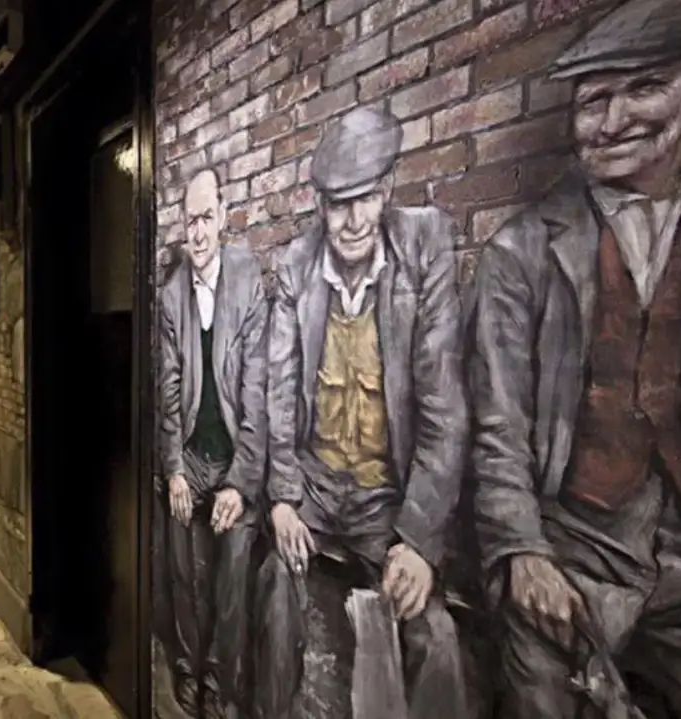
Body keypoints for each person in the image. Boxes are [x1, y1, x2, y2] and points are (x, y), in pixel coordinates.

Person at [470, 0, 681, 715]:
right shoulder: (519, 251)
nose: (613, 122)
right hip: (575, 555)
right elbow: (497, 428)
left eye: (645, 87)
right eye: (593, 101)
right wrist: (522, 550)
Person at [257, 106, 469, 719]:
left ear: (387, 190)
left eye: (366, 199)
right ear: (320, 206)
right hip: (316, 490)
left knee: (436, 635)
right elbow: (278, 392)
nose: (352, 222)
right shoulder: (296, 267)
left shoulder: (425, 246)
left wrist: (419, 539)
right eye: (338, 205)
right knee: (273, 588)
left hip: (384, 501)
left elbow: (444, 407)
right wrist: (283, 498)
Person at [158, 167, 267, 718]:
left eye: (207, 217)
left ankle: (221, 681)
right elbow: (167, 388)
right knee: (178, 555)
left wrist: (241, 484)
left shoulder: (248, 281)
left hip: (234, 458)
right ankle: (186, 667)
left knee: (235, 565)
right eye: (190, 220)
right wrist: (174, 469)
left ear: (223, 216)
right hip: (193, 457)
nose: (198, 232)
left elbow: (258, 396)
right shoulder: (170, 294)